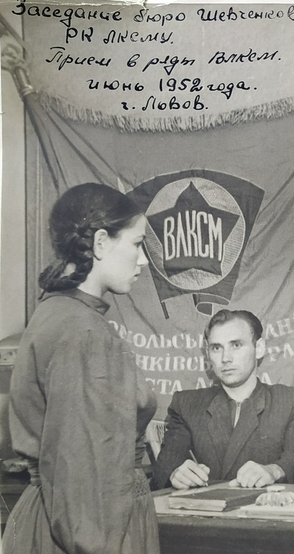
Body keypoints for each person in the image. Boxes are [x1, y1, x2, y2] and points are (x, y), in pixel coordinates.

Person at [3, 183, 158, 554]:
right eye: (137, 244)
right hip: (93, 532)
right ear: (101, 243)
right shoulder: (87, 334)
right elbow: (86, 484)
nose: (144, 261)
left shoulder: (51, 313)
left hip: (46, 522)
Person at [152, 309, 294, 490]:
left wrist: (273, 471)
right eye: (216, 348)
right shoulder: (187, 404)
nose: (225, 358)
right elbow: (164, 467)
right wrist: (176, 474)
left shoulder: (290, 401)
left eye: (236, 345)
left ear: (259, 348)